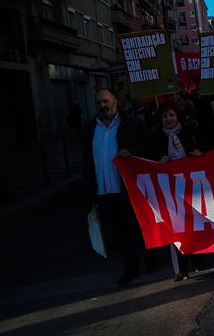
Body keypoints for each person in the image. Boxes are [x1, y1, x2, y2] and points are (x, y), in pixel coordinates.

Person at [82, 88, 151, 285]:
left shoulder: (130, 124)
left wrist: (131, 151)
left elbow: (148, 145)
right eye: (98, 103)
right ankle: (130, 267)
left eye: (105, 101)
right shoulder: (90, 129)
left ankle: (150, 260)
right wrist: (88, 191)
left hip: (127, 188)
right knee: (118, 232)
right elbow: (86, 162)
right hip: (104, 191)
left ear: (115, 101)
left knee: (135, 227)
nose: (102, 106)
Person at [152, 103, 203, 281]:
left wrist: (197, 154)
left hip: (191, 186)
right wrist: (159, 159)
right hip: (170, 190)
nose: (169, 119)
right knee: (175, 226)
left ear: (178, 116)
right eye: (165, 116)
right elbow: (149, 158)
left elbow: (200, 148)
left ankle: (198, 260)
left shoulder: (189, 132)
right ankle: (181, 269)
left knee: (195, 222)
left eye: (172, 115)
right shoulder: (156, 137)